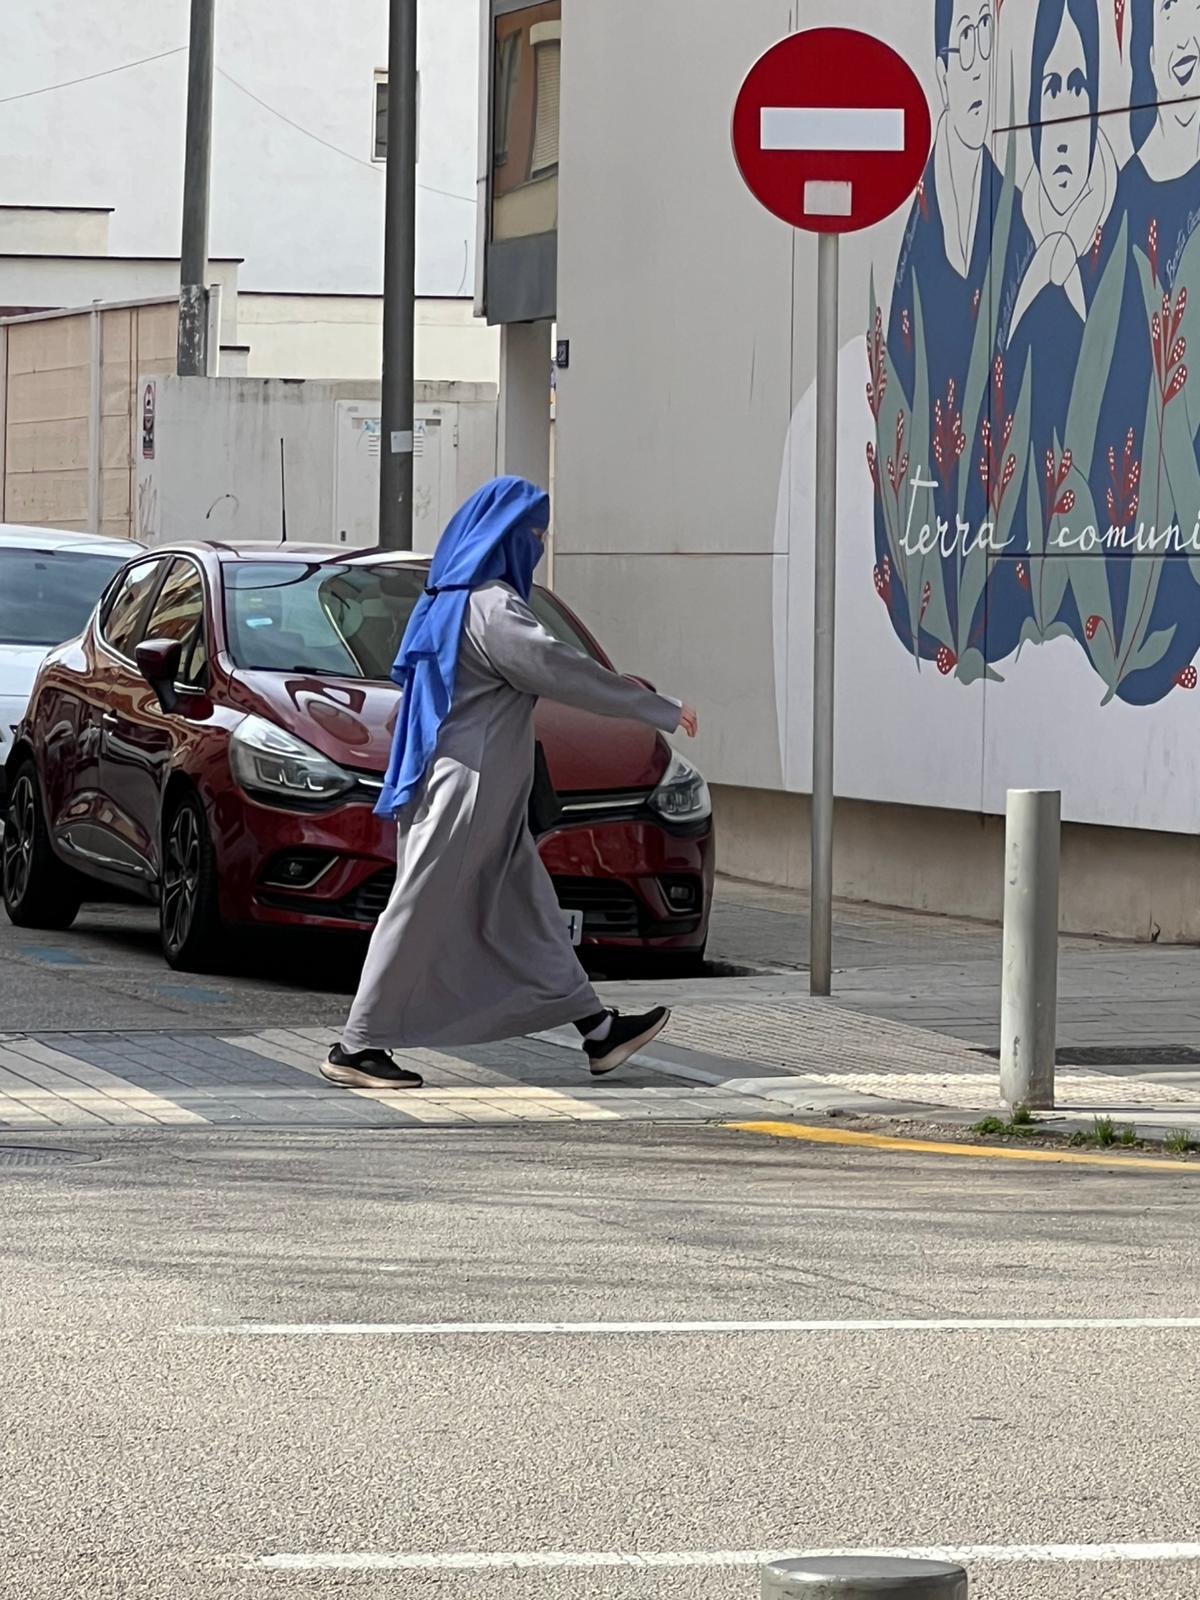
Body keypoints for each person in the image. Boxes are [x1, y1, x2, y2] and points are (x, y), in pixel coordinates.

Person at [322, 475, 698, 1091]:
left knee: (528, 909)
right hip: (467, 792)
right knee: (418, 906)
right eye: (534, 534)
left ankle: (598, 1031)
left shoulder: (446, 597)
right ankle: (356, 1044)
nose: (539, 544)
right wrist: (650, 705)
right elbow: (559, 667)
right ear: (505, 537)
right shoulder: (491, 607)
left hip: (471, 789)